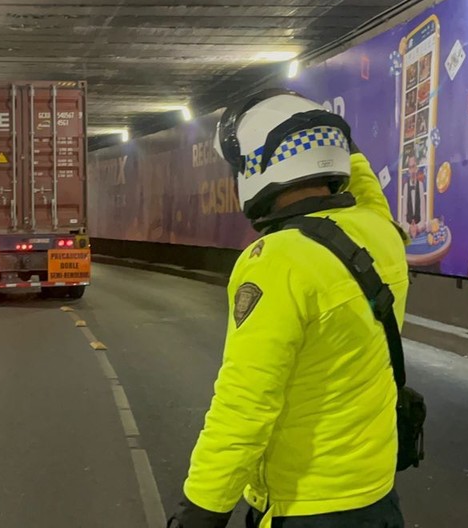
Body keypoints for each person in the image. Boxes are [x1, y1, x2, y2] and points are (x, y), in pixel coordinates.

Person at [169, 92, 410, 528]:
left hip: (308, 507)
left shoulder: (276, 262)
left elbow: (244, 404)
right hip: (376, 498)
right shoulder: (380, 232)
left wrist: (200, 512)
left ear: (261, 166)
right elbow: (365, 184)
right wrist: (329, 137)